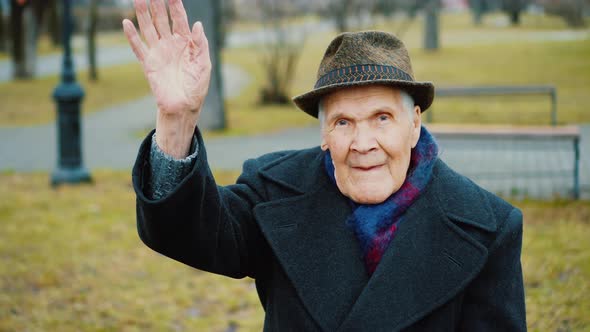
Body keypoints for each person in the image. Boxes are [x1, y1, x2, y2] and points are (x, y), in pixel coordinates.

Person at [124, 0, 527, 330]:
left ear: (414, 124)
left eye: (382, 118)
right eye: (343, 122)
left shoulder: (488, 226)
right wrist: (177, 120)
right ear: (323, 135)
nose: (363, 143)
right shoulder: (274, 193)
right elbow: (186, 234)